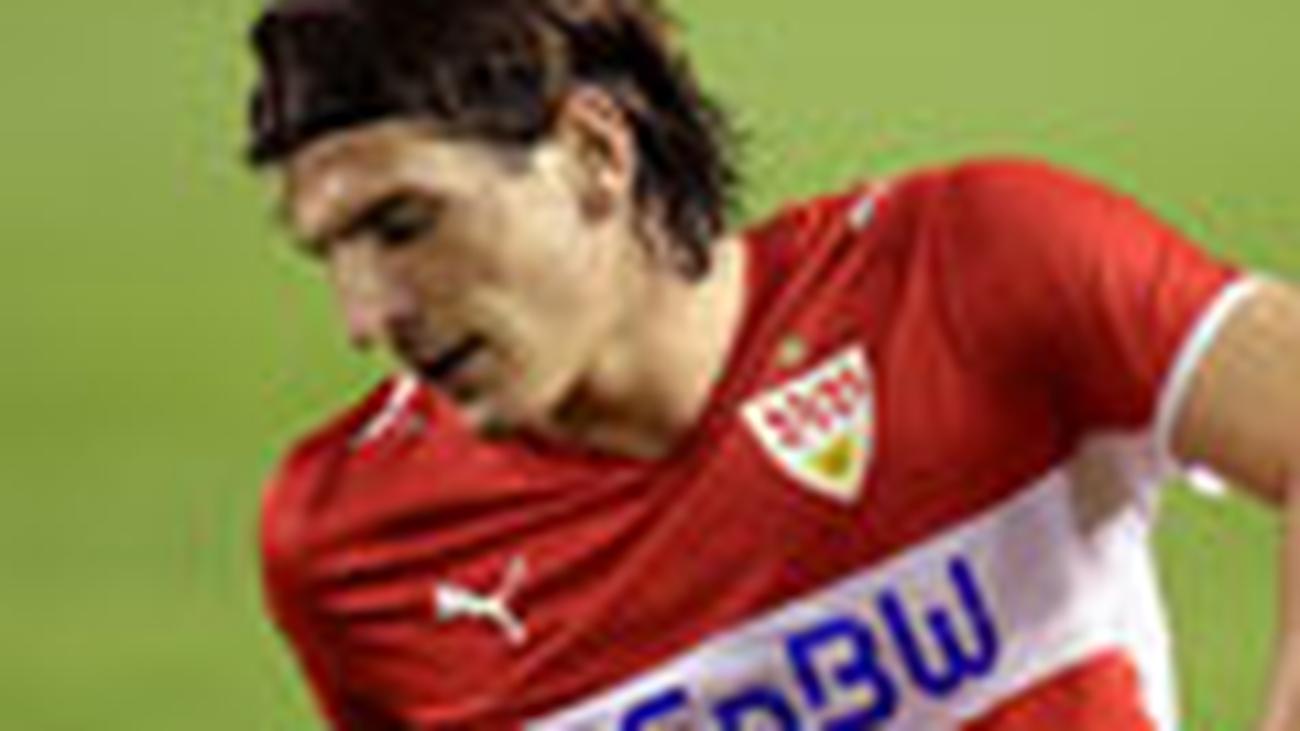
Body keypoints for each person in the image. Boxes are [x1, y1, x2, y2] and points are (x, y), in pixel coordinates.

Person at [245, 0, 1300, 728]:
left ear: (595, 153)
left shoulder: (978, 269)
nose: (367, 313)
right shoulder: (352, 545)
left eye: (406, 224)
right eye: (329, 252)